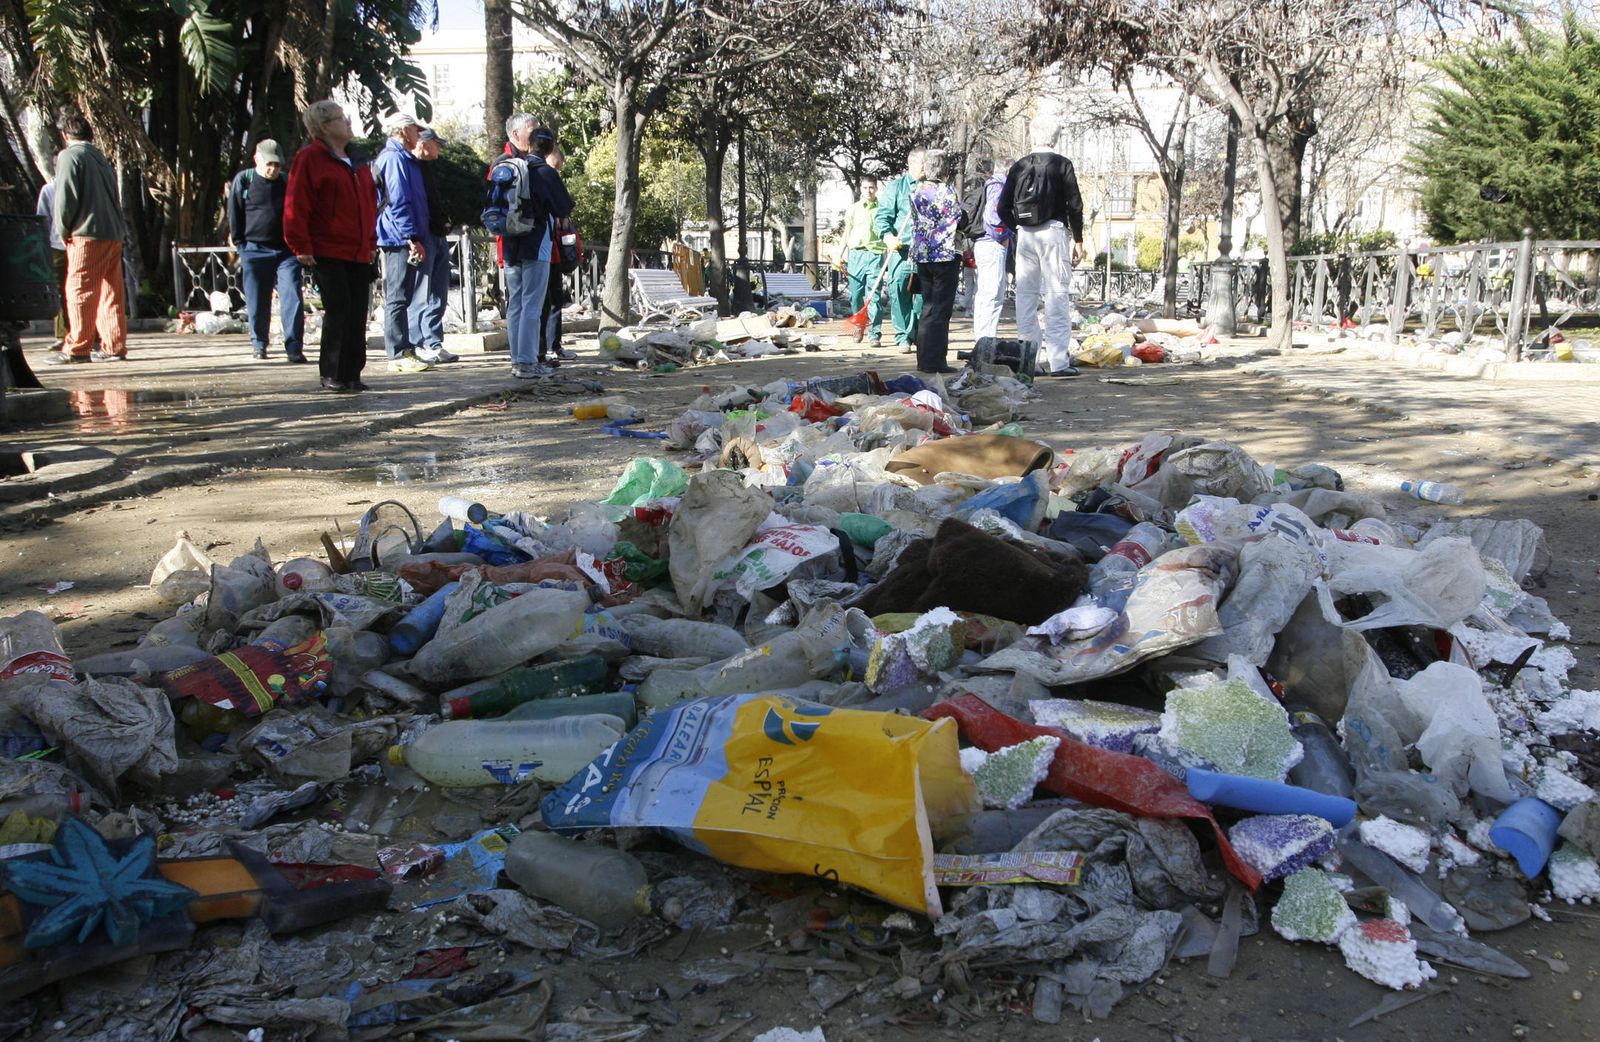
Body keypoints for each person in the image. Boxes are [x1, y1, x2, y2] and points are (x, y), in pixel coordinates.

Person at [284, 99, 379, 393]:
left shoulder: (357, 159)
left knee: (357, 311)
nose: (347, 122)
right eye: (340, 118)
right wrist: (300, 244)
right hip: (328, 248)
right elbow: (297, 202)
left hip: (358, 248)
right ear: (324, 127)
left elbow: (369, 203)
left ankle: (352, 372)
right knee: (339, 308)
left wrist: (371, 241)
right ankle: (332, 371)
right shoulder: (310, 158)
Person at [1000, 121, 1085, 376]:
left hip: (1026, 234)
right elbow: (1075, 205)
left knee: (1026, 297)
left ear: (1032, 136)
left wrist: (1017, 227)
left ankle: (1029, 360)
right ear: (1055, 138)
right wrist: (1078, 238)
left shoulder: (1019, 166)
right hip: (1053, 232)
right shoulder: (1062, 165)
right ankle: (1059, 362)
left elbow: (1002, 207)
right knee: (1056, 294)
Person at [45, 115, 128, 365]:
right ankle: (114, 346)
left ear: (65, 135)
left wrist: (63, 231)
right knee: (110, 291)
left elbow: (65, 198)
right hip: (112, 232)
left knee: (79, 289)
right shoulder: (100, 158)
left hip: (87, 233)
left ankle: (78, 348)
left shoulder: (69, 156)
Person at [227, 140, 307, 363]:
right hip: (254, 249)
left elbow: (297, 213)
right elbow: (234, 213)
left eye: (277, 165)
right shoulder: (244, 180)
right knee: (257, 300)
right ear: (257, 160)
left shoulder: (286, 181)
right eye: (269, 164)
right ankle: (259, 343)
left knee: (292, 295)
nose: (273, 169)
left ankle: (294, 347)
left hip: (285, 251)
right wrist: (241, 245)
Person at [493, 113, 558, 379]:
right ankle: (528, 362)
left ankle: (518, 361)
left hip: (510, 244)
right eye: (532, 131)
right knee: (531, 303)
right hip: (534, 243)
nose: (535, 136)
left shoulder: (502, 164)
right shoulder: (538, 169)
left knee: (517, 304)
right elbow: (561, 204)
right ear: (516, 134)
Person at [372, 112, 434, 373]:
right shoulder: (394, 158)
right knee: (397, 296)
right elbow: (398, 201)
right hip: (397, 237)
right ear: (404, 130)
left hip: (407, 235)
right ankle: (396, 353)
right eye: (415, 130)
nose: (419, 135)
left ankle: (405, 348)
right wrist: (411, 237)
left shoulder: (406, 159)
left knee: (405, 295)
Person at [406, 127, 459, 364]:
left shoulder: (429, 168)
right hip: (423, 235)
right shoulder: (409, 166)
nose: (439, 148)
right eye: (436, 143)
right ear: (424, 144)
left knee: (439, 291)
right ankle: (417, 342)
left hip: (438, 234)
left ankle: (433, 341)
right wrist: (412, 237)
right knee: (420, 291)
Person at [908, 149, 962, 375]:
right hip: (944, 254)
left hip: (922, 254)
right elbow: (958, 218)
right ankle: (936, 360)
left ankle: (923, 359)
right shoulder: (946, 191)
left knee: (928, 307)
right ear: (945, 169)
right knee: (941, 309)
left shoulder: (916, 190)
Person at [873, 148, 925, 353]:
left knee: (923, 296)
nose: (926, 167)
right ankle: (903, 336)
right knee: (899, 291)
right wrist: (887, 236)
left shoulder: (931, 187)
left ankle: (920, 334)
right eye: (922, 162)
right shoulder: (896, 187)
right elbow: (882, 218)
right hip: (901, 250)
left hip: (926, 251)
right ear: (911, 163)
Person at [530, 130, 574, 368]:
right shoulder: (544, 173)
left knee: (525, 304)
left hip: (517, 246)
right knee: (539, 302)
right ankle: (536, 355)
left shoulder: (514, 166)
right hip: (540, 246)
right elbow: (564, 206)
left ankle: (528, 356)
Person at [540, 144, 577, 365]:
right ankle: (541, 350)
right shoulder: (537, 177)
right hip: (538, 250)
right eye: (553, 168)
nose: (555, 174)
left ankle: (553, 345)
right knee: (541, 301)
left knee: (555, 298)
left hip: (552, 250)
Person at [837, 180, 886, 345]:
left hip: (875, 254)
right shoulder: (853, 209)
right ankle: (859, 326)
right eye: (865, 187)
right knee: (856, 295)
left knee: (874, 296)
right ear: (860, 189)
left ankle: (874, 334)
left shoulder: (882, 209)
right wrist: (838, 254)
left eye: (871, 187)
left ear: (876, 188)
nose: (868, 191)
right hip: (856, 254)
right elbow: (846, 233)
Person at [970, 157, 1012, 343]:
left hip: (984, 243)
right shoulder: (1000, 187)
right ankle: (986, 340)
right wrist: (1004, 236)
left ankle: (983, 338)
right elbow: (993, 217)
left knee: (985, 294)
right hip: (992, 244)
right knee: (992, 295)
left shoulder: (990, 185)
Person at [34, 180, 69, 351]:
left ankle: (89, 334)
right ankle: (63, 335)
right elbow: (42, 217)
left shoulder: (78, 184)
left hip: (79, 242)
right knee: (59, 291)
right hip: (57, 246)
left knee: (82, 290)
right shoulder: (49, 189)